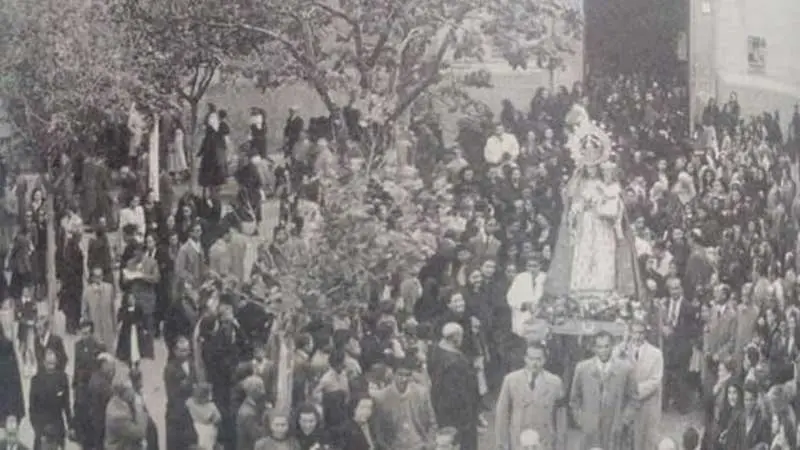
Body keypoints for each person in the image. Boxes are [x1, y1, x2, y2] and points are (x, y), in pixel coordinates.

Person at [545, 141, 640, 299]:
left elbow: (616, 202)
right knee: (585, 251)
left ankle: (604, 288)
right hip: (586, 222)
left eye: (594, 166)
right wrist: (579, 208)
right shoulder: (579, 184)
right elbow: (572, 202)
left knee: (603, 251)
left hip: (603, 224)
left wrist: (605, 204)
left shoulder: (607, 184)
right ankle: (582, 288)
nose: (591, 170)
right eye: (588, 166)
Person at [570, 330, 636, 449]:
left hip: (614, 428)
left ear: (613, 346)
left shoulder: (625, 369)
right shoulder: (582, 368)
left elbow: (633, 399)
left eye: (607, 346)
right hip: (591, 429)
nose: (604, 350)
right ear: (594, 348)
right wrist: (582, 420)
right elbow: (574, 399)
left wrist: (624, 421)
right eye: (599, 347)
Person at [495, 341, 565, 450]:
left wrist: (560, 444)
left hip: (544, 441)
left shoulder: (555, 382)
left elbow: (560, 416)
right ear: (525, 358)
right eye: (531, 359)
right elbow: (502, 413)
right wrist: (502, 443)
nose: (534, 363)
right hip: (518, 440)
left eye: (538, 359)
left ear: (544, 360)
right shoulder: (511, 380)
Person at [428, 322, 480, 450]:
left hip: (441, 408)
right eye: (461, 336)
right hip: (459, 414)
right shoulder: (456, 362)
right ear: (455, 337)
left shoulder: (436, 351)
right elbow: (461, 393)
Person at [616, 319, 663, 450]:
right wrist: (622, 345)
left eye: (641, 333)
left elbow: (655, 380)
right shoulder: (621, 351)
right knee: (625, 441)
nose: (638, 336)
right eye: (635, 333)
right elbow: (613, 368)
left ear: (645, 334)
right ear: (630, 333)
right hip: (626, 406)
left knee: (644, 441)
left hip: (646, 405)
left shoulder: (656, 354)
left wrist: (634, 392)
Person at [372, 357, 437, 449]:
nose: (403, 379)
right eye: (400, 374)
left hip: (419, 446)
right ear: (393, 374)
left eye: (407, 375)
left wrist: (429, 443)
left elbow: (432, 422)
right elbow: (379, 430)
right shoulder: (382, 396)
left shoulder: (421, 393)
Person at [29, 349, 72, 450]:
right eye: (49, 363)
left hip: (58, 426)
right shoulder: (36, 380)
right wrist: (38, 430)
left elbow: (66, 404)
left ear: (56, 362)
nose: (51, 366)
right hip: (42, 428)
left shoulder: (63, 378)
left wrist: (71, 425)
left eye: (53, 363)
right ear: (44, 362)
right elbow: (32, 408)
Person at [164, 336, 198, 450]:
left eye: (187, 350)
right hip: (177, 416)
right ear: (175, 351)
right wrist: (188, 385)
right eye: (182, 351)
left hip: (192, 412)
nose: (186, 353)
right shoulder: (170, 369)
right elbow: (173, 394)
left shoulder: (192, 364)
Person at [104, 373, 148, 450]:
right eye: (132, 389)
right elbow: (140, 432)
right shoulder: (118, 415)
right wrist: (139, 407)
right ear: (124, 392)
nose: (134, 392)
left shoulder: (120, 402)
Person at [82, 267, 117, 351]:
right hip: (94, 327)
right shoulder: (87, 291)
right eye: (96, 276)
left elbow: (112, 309)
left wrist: (114, 326)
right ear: (93, 278)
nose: (98, 279)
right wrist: (87, 328)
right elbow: (84, 311)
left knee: (109, 351)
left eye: (100, 276)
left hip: (107, 326)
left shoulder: (109, 288)